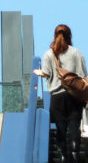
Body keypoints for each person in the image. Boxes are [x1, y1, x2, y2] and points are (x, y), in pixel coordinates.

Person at [34, 24, 87, 163]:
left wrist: (37, 72)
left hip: (57, 97)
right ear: (69, 36)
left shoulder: (49, 54)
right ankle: (75, 153)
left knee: (61, 128)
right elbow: (83, 76)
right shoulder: (76, 52)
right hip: (74, 96)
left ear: (54, 36)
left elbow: (46, 73)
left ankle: (63, 155)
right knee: (74, 125)